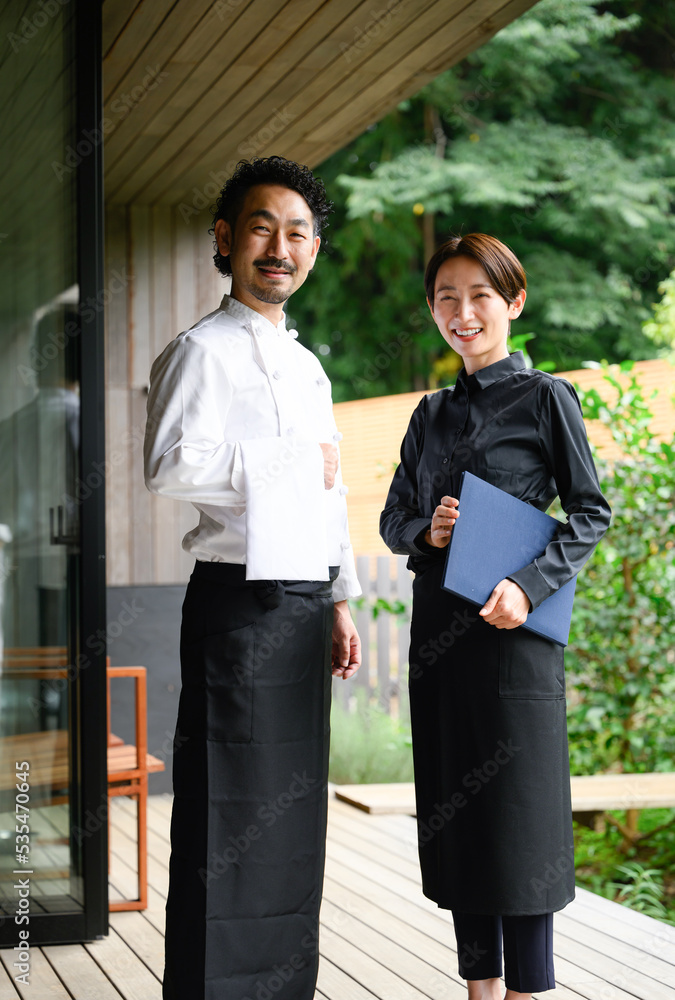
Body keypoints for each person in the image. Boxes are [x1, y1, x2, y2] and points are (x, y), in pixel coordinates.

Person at [144, 156, 361, 1000]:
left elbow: (329, 490)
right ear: (226, 239)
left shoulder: (307, 366)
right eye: (263, 228)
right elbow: (169, 464)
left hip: (305, 605)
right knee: (225, 815)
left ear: (313, 251)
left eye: (298, 233)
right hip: (236, 604)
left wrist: (339, 598)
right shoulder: (200, 350)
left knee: (290, 826)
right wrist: (289, 462)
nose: (281, 247)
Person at [380, 234, 611, 1000]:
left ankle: (527, 991)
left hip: (514, 640)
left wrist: (527, 585)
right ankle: (478, 991)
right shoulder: (429, 413)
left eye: (479, 295)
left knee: (520, 822)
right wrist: (428, 533)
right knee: (461, 820)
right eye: (446, 297)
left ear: (513, 301)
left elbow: (589, 511)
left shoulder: (545, 397)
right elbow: (393, 519)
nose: (462, 311)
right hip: (439, 646)